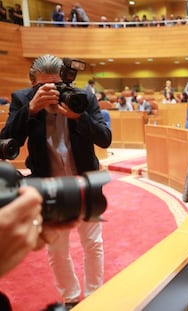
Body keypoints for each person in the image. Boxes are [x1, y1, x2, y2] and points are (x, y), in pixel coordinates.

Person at [0, 54, 112, 309]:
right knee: (57, 250)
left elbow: (105, 138)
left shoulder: (82, 98)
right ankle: (71, 298)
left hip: (86, 183)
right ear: (32, 86)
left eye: (56, 85)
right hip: (47, 187)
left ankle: (96, 295)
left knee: (93, 243)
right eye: (43, 87)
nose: (51, 91)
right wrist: (30, 109)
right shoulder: (23, 100)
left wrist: (77, 117)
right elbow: (6, 141)